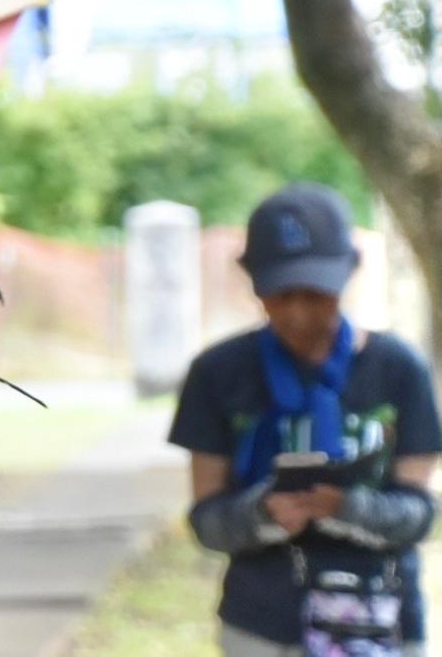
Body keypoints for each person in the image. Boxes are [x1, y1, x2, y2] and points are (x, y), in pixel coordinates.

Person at [170, 183, 442, 657]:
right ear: (251, 278)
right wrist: (262, 514)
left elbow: (420, 516)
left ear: (349, 272)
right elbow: (206, 520)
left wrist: (346, 507)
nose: (297, 313)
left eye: (316, 294)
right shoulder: (218, 372)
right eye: (280, 294)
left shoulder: (399, 369)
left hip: (381, 621)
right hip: (264, 625)